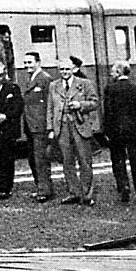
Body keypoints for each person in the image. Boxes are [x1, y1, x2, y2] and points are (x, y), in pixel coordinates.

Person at [48, 57, 100, 206]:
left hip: (80, 126)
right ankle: (74, 192)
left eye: (67, 69)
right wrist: (50, 129)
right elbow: (50, 109)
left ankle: (87, 194)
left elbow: (95, 102)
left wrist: (80, 104)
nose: (64, 72)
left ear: (74, 70)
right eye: (61, 70)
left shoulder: (84, 84)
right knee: (67, 161)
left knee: (85, 161)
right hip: (62, 127)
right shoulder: (53, 85)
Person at [103, 61, 136, 206]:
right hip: (134, 130)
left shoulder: (110, 89)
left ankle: (124, 188)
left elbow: (108, 113)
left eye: (113, 72)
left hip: (116, 131)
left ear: (118, 73)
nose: (111, 74)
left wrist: (107, 131)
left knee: (118, 161)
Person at [20, 51, 55, 202]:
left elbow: (50, 104)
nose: (27, 65)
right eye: (25, 63)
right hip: (31, 125)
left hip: (40, 126)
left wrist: (49, 126)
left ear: (38, 62)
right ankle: (42, 187)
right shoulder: (32, 78)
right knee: (36, 158)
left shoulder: (44, 79)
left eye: (30, 62)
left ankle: (45, 190)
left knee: (41, 159)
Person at [0, 63, 23, 199]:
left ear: (5, 75)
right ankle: (1, 185)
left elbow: (18, 107)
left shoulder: (13, 88)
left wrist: (6, 116)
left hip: (8, 129)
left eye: (0, 75)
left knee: (8, 159)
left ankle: (7, 188)